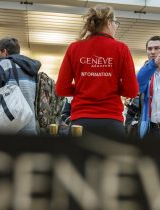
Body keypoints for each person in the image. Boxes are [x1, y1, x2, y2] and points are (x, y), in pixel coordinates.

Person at [55, 4, 138, 137]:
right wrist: (112, 86)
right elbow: (132, 90)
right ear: (109, 22)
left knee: (79, 158)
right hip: (111, 121)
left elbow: (60, 89)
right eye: (116, 23)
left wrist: (83, 87)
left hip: (80, 121)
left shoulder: (74, 48)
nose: (116, 27)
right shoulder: (121, 49)